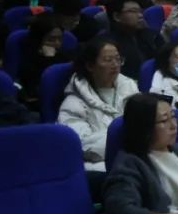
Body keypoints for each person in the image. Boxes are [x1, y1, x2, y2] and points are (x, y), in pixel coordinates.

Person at [58, 38, 139, 198]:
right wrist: (128, 139)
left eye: (118, 59)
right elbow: (82, 145)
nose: (115, 65)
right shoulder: (73, 104)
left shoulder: (130, 88)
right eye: (108, 60)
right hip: (99, 165)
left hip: (133, 157)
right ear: (90, 66)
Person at [102, 0, 163, 79]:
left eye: (140, 11)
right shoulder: (105, 44)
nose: (140, 15)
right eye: (133, 11)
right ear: (116, 16)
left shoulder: (153, 36)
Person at [18, 12, 72, 104]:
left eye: (60, 39)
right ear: (38, 40)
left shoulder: (64, 56)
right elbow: (35, 89)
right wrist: (48, 60)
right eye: (51, 40)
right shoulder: (27, 60)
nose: (57, 43)